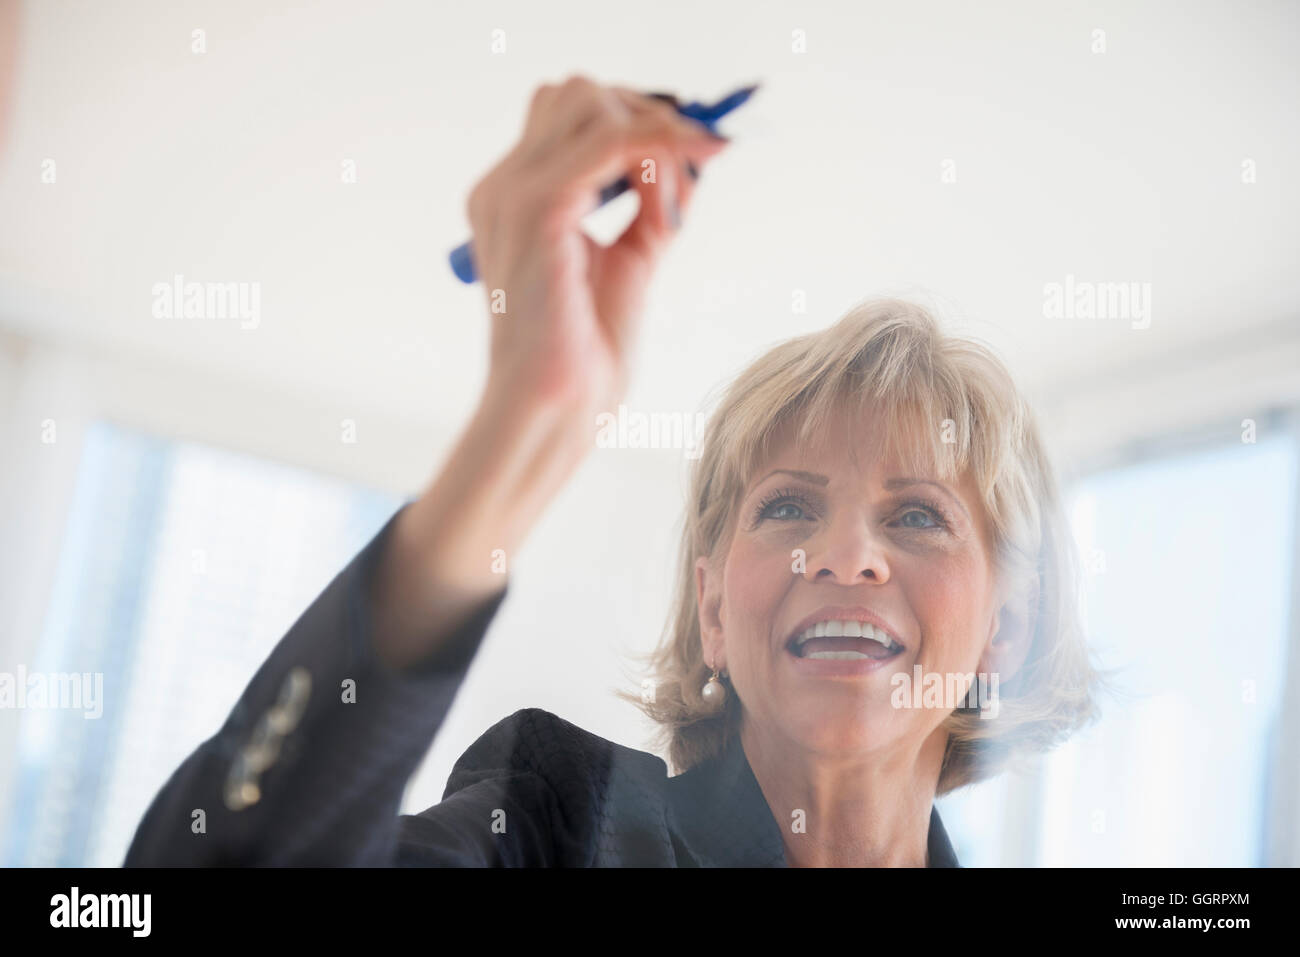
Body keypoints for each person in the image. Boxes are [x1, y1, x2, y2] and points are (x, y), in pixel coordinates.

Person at [124, 75, 1103, 868]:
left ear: (1004, 630)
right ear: (714, 611)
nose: (844, 555)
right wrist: (524, 419)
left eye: (919, 517)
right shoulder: (556, 822)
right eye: (790, 504)